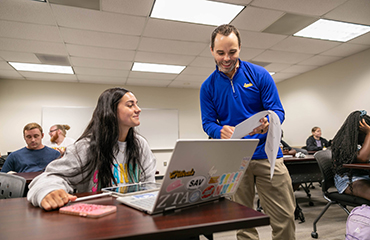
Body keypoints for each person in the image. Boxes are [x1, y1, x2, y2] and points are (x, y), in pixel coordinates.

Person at [200, 24, 295, 240]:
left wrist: (270, 121)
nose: (226, 58)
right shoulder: (208, 87)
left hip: (267, 156)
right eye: (221, 52)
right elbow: (207, 123)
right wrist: (219, 130)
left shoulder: (260, 75)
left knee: (284, 217)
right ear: (212, 51)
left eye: (232, 52)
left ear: (240, 48)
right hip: (235, 159)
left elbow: (278, 111)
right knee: (243, 222)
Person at [27, 87, 157, 210]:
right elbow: (49, 177)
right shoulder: (86, 147)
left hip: (133, 214)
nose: (138, 109)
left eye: (136, 104)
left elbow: (149, 184)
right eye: (130, 105)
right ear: (111, 111)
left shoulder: (140, 145)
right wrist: (49, 191)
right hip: (97, 217)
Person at [332, 110, 370, 200]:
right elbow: (362, 158)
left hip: (367, 176)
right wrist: (369, 133)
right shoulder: (343, 144)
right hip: (349, 180)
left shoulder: (363, 141)